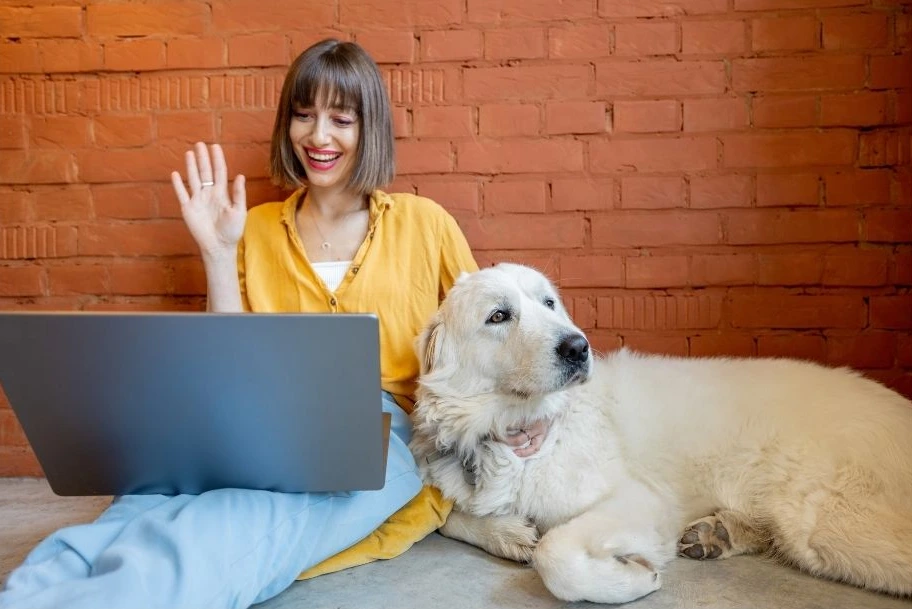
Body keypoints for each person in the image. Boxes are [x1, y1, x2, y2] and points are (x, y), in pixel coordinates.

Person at [0, 39, 548, 609]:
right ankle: (29, 593)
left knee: (246, 517)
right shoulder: (253, 228)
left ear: (372, 128)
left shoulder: (425, 223)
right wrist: (217, 251)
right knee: (148, 495)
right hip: (250, 419)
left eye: (341, 118)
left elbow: (493, 328)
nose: (318, 136)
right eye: (303, 115)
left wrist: (522, 410)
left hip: (378, 431)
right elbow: (225, 358)